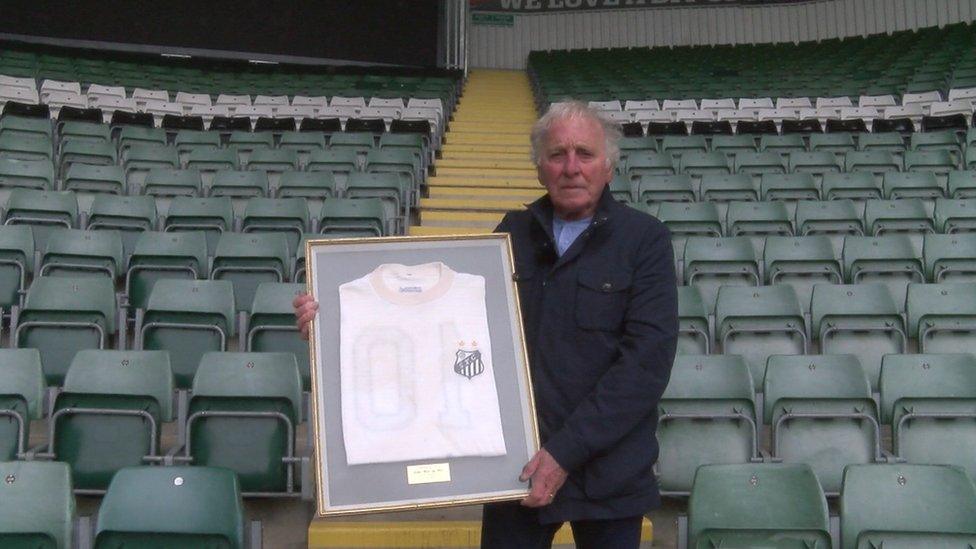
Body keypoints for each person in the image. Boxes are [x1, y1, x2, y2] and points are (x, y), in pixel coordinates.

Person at [294, 100, 677, 549]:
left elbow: (644, 367)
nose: (571, 167)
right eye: (557, 154)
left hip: (610, 474)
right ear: (540, 168)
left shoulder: (644, 240)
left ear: (608, 166)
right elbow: (447, 327)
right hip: (514, 469)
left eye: (584, 154)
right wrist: (335, 323)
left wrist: (564, 453)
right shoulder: (509, 235)